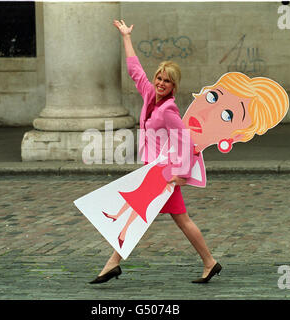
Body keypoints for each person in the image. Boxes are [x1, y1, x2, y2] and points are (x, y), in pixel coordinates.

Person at [90, 20, 221, 284]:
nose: (161, 83)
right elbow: (135, 70)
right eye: (159, 78)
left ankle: (112, 263)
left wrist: (182, 173)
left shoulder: (169, 110)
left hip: (164, 173)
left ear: (174, 87)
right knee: (172, 219)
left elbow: (185, 140)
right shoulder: (151, 97)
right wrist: (126, 37)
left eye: (167, 81)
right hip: (157, 170)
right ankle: (210, 262)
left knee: (140, 214)